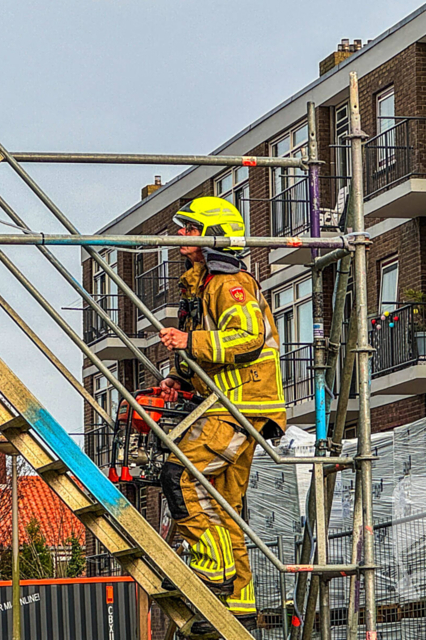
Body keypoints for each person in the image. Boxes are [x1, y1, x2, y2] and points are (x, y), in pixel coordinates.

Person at [157, 196, 286, 634]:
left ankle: (213, 574)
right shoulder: (200, 286)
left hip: (242, 404)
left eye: (189, 231)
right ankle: (240, 604)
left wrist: (187, 343)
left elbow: (248, 335)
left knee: (180, 474)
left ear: (212, 237)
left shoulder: (229, 284)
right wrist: (181, 377)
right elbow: (211, 345)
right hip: (231, 401)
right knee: (224, 504)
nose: (181, 238)